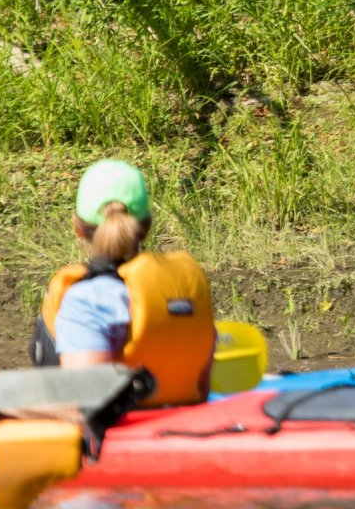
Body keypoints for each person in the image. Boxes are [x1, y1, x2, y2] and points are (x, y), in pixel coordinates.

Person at [30, 159, 216, 405]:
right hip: (186, 430)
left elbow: (85, 401)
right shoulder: (187, 289)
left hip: (122, 437)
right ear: (146, 227)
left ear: (78, 227)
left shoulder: (87, 300)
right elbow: (202, 387)